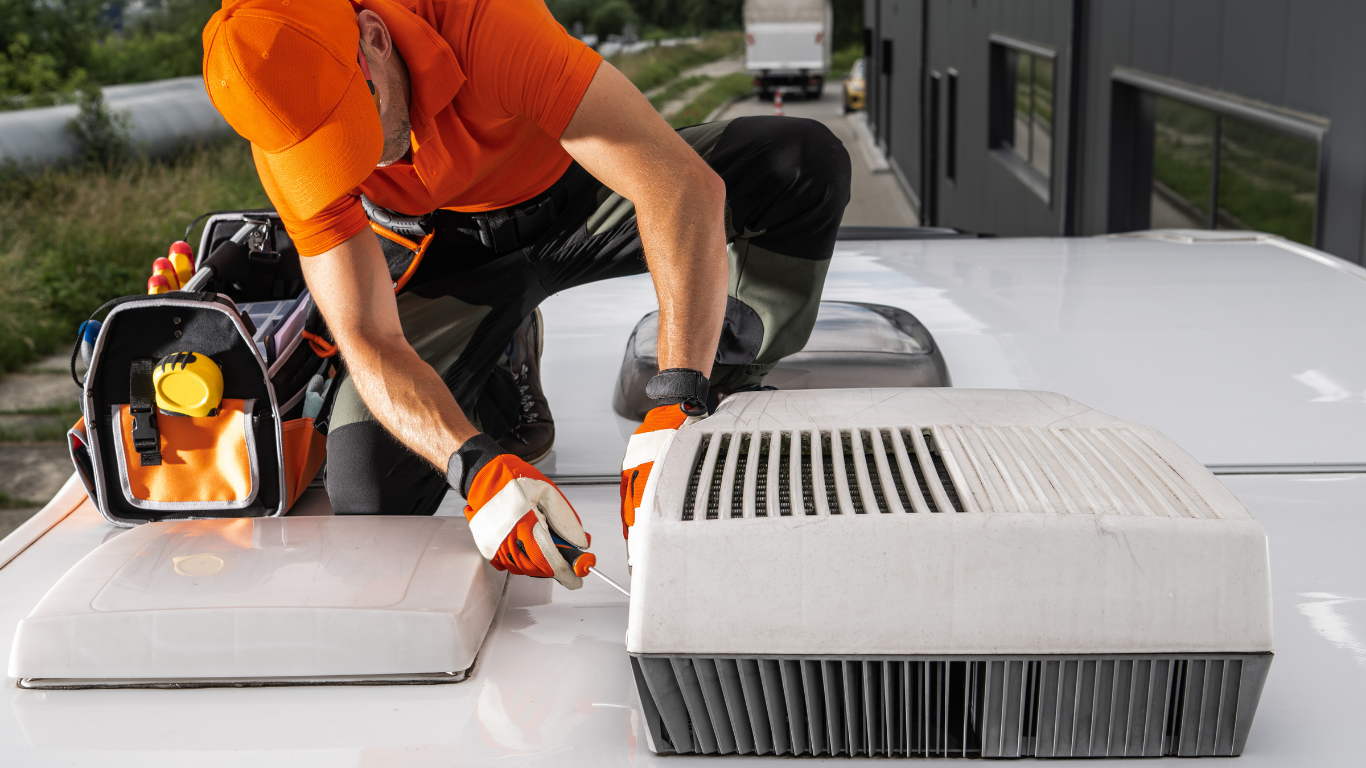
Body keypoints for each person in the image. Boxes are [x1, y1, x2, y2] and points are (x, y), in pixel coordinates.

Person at [202, 0, 850, 589]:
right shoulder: (285, 143)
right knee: (369, 486)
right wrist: (474, 467)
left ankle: (718, 386)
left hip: (582, 195)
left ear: (374, 38)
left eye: (355, 125)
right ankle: (502, 360)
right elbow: (366, 334)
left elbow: (676, 184)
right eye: (328, 155)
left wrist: (677, 396)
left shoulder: (482, 19)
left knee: (800, 163)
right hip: (451, 259)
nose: (364, 163)